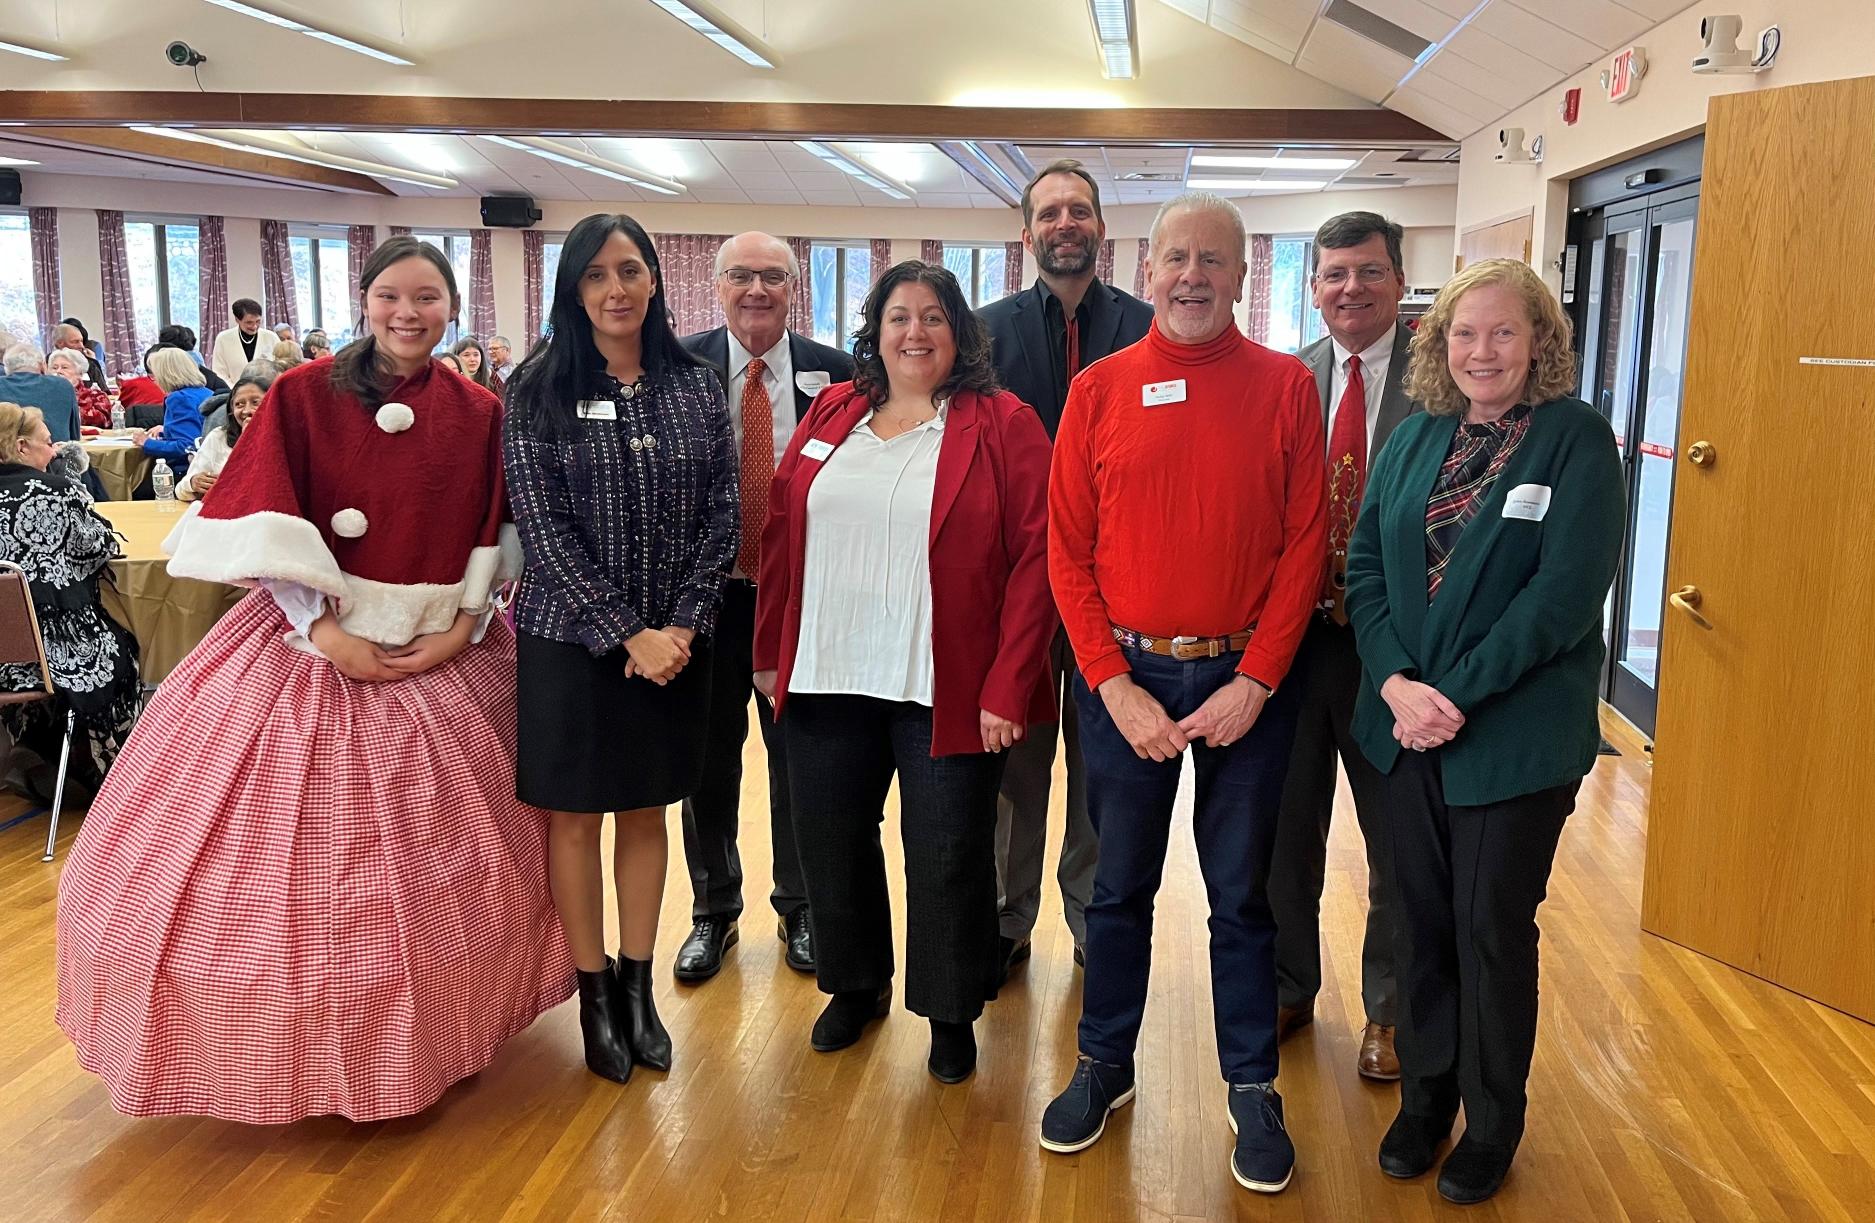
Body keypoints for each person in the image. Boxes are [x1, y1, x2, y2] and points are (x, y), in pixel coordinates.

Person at [55, 235, 575, 1124]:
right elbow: (265, 516)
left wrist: (460, 628)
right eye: (390, 297)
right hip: (304, 651)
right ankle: (272, 1050)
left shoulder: (482, 411)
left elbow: (497, 529)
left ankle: (424, 1038)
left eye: (427, 298)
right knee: (262, 866)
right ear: (363, 300)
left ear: (452, 309)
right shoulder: (300, 394)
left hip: (437, 656)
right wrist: (325, 630)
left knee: (442, 877)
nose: (407, 314)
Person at [1038, 193, 1326, 1196]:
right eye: (1175, 258)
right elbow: (1065, 550)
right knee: (1117, 889)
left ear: (1244, 275)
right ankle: (1103, 1064)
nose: (1192, 274)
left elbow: (1305, 546)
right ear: (1147, 269)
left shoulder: (1287, 387)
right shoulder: (1098, 388)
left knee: (1243, 898)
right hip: (1128, 678)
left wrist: (1257, 678)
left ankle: (1253, 1082)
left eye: (1213, 258)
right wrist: (1110, 684)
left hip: (1249, 680)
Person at [1344, 257, 1623, 1205]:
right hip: (1400, 728)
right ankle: (1424, 1099)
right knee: (1417, 920)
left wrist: (1448, 696)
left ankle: (1491, 1119)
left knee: (1489, 927)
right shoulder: (1414, 437)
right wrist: (1390, 680)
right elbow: (1365, 569)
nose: (1481, 350)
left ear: (1539, 340)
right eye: (1464, 333)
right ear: (1438, 344)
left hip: (1508, 737)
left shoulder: (1575, 440)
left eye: (1503, 332)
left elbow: (1561, 598)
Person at [752, 259, 1053, 1082]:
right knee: (831, 840)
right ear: (873, 332)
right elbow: (782, 528)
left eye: (931, 317)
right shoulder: (833, 410)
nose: (913, 332)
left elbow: (1038, 560)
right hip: (824, 671)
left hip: (943, 682)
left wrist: (1008, 683)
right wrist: (772, 653)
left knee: (948, 850)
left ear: (958, 333)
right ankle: (854, 986)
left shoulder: (1002, 422)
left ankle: (950, 1010)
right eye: (897, 317)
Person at [504, 213, 737, 1085]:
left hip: (678, 644)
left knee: (647, 812)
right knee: (575, 819)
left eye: (631, 270)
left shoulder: (694, 383)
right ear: (573, 288)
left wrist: (676, 626)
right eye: (597, 274)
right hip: (571, 643)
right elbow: (544, 527)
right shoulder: (536, 389)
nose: (616, 288)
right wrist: (624, 630)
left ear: (654, 281)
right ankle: (594, 995)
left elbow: (722, 514)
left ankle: (639, 992)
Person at [977, 158, 1153, 978]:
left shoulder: (1151, 329)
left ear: (1100, 229)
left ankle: (1089, 917)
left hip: (1115, 584)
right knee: (1015, 759)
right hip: (1011, 585)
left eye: (1078, 210)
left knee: (1100, 765)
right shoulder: (982, 333)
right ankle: (1007, 920)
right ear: (1027, 235)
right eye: (1049, 213)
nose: (1065, 224)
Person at [675, 231, 856, 982]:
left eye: (772, 277)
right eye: (740, 276)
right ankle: (712, 912)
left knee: (799, 763)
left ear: (793, 290)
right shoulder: (676, 368)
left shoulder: (839, 373)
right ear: (716, 286)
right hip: (703, 604)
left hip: (800, 604)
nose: (757, 290)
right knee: (706, 767)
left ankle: (802, 905)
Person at [1269, 211, 1423, 1082]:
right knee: (1285, 831)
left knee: (1396, 841)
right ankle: (1289, 985)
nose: (1350, 290)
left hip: (1394, 655)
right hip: (1296, 647)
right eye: (1333, 274)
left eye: (1368, 272)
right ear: (1313, 286)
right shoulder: (1291, 377)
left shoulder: (1441, 380)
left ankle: (1391, 1011)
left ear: (1398, 281)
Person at [0, 401, 140, 802]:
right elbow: (99, 547)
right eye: (48, 443)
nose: (56, 450)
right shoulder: (55, 490)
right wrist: (71, 487)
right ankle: (93, 766)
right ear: (21, 447)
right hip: (51, 653)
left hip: (6, 653)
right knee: (122, 645)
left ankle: (37, 747)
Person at [179, 369, 272, 501]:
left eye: (255, 402)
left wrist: (249, 442)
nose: (247, 410)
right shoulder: (219, 436)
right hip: (223, 516)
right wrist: (192, 483)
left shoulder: (286, 438)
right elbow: (181, 490)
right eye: (239, 404)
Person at [133, 347, 212, 484]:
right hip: (207, 465)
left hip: (186, 472)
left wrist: (147, 443)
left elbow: (186, 446)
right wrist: (167, 432)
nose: (154, 380)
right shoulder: (206, 392)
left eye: (154, 375)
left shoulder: (179, 398)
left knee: (134, 485)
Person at [0, 346, 82, 442]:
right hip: (56, 454)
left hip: (7, 454)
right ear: (42, 365)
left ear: (7, 368)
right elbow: (75, 435)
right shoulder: (63, 385)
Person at [45, 350, 114, 429]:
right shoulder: (43, 395)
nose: (58, 371)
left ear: (80, 373)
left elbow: (104, 422)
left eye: (64, 367)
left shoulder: (96, 396)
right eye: (54, 368)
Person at [210, 298, 266, 384]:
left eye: (258, 321)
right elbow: (219, 373)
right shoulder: (223, 339)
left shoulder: (271, 337)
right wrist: (236, 391)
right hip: (234, 393)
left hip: (268, 393)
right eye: (249, 322)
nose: (254, 326)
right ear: (237, 320)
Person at [52, 323, 109, 392]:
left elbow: (105, 393)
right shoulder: (46, 364)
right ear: (60, 343)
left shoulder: (90, 364)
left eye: (81, 341)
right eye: (75, 342)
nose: (81, 346)